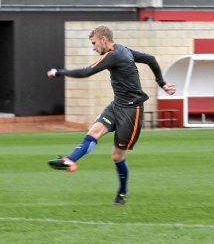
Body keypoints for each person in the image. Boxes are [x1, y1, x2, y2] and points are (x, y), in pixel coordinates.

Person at [46, 25, 176, 205]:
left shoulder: (114, 55)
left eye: (94, 43)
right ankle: (70, 160)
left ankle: (122, 193)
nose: (93, 47)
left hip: (132, 110)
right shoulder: (123, 50)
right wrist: (162, 83)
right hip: (117, 105)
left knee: (117, 156)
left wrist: (60, 72)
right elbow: (151, 59)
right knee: (93, 132)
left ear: (103, 40)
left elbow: (87, 71)